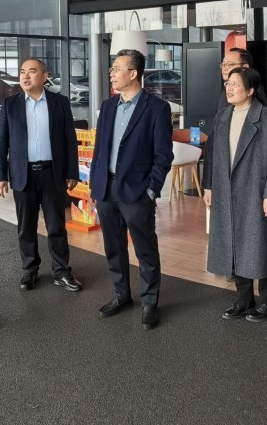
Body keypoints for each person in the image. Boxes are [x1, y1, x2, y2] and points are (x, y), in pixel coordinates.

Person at [90, 49, 173, 330]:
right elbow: (99, 150)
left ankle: (150, 303)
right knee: (113, 248)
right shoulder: (108, 107)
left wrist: (150, 191)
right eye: (112, 68)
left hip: (137, 192)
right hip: (106, 189)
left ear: (134, 73)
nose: (112, 73)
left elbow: (163, 155)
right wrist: (95, 187)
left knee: (145, 250)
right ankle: (121, 295)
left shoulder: (157, 108)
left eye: (117, 68)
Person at [203, 67, 267, 322]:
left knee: (261, 245)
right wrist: (209, 186)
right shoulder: (222, 116)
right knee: (234, 244)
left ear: (250, 90)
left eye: (235, 84)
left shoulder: (265, 117)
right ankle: (243, 299)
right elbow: (211, 155)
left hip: (256, 191)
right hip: (226, 191)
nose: (229, 88)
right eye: (228, 84)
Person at [0, 58, 82, 293]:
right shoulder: (10, 104)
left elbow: (69, 140)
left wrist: (72, 171)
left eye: (32, 71)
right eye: (22, 71)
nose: (25, 76)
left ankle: (61, 271)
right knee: (26, 227)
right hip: (23, 175)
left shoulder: (59, 103)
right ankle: (30, 269)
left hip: (53, 174)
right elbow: (1, 142)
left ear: (44, 76)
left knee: (56, 226)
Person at [217, 47, 253, 112]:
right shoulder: (226, 88)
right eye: (223, 64)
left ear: (245, 67)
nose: (224, 68)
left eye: (229, 64)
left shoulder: (255, 91)